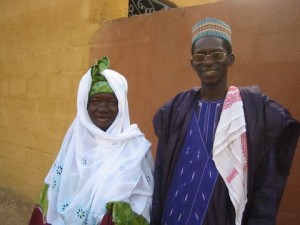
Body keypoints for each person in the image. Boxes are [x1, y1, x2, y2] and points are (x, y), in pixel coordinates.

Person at [150, 17, 300, 225]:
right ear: (193, 63)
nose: (208, 61)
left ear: (230, 58)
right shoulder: (177, 109)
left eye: (216, 54)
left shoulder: (252, 112)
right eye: (200, 56)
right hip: (175, 215)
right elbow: (162, 170)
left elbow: (266, 185)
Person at [29, 56, 154, 225]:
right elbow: (58, 190)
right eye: (95, 101)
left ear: (121, 106)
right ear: (85, 106)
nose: (103, 108)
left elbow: (144, 199)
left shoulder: (135, 146)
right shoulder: (74, 144)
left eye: (111, 102)